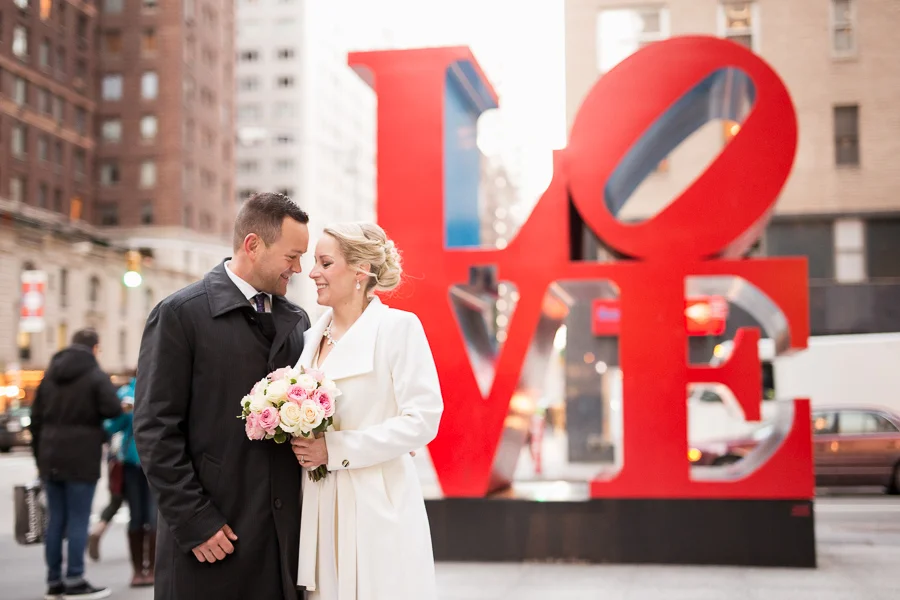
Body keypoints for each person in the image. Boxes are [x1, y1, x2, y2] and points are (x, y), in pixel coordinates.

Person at [134, 192, 312, 600]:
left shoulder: (298, 319)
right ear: (253, 245)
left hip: (282, 545)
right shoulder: (180, 314)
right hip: (212, 539)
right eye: (291, 256)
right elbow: (154, 430)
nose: (298, 268)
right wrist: (194, 521)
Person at [291, 222, 443, 600]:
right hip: (318, 505)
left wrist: (335, 449)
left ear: (361, 273)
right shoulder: (309, 338)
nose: (312, 273)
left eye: (325, 263)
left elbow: (424, 419)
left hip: (376, 503)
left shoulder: (399, 328)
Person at [30, 328, 122, 600]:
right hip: (81, 455)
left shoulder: (49, 376)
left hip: (49, 455)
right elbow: (113, 409)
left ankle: (54, 581)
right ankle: (75, 578)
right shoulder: (94, 375)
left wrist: (39, 458)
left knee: (56, 519)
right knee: (79, 518)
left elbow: (35, 421)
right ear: (94, 348)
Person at [103, 373, 156, 587]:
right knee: (135, 517)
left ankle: (151, 568)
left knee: (154, 518)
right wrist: (123, 413)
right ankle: (137, 570)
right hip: (131, 465)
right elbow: (109, 427)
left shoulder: (161, 386)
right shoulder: (125, 393)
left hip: (155, 464)